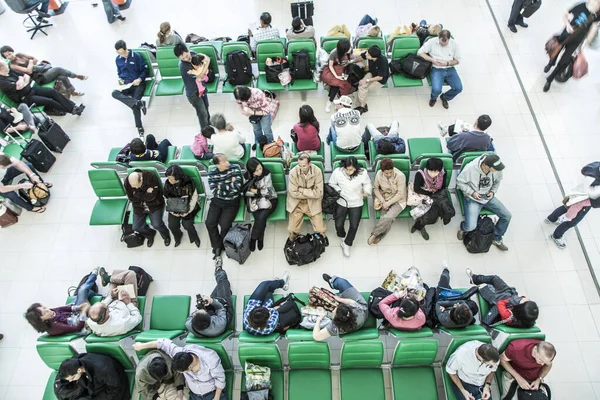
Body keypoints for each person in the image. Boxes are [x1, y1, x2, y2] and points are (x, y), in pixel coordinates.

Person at [134, 339, 228, 400]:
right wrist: (141, 346)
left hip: (212, 392)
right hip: (195, 395)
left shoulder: (210, 358)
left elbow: (220, 379)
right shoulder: (180, 352)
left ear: (190, 367)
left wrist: (216, 397)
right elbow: (163, 343)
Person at [456, 154, 511, 251]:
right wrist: (472, 193)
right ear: (485, 165)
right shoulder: (470, 168)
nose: (497, 170)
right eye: (495, 168)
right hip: (472, 198)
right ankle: (463, 228)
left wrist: (493, 191)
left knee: (507, 216)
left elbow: (497, 181)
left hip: (488, 197)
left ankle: (496, 238)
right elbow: (459, 182)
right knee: (470, 226)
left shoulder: (497, 170)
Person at [543, 0, 600, 92]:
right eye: (596, 2)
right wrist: (567, 25)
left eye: (599, 3)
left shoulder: (597, 14)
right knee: (556, 50)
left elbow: (593, 29)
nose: (597, 4)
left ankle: (549, 79)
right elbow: (565, 13)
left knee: (564, 61)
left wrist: (586, 43)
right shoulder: (581, 5)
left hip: (577, 40)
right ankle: (550, 63)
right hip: (566, 35)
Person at [25, 269, 97, 336]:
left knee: (83, 293)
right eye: (44, 313)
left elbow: (62, 308)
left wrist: (77, 307)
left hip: (74, 313)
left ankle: (93, 290)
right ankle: (94, 274)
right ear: (41, 320)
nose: (47, 310)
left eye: (44, 308)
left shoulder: (49, 313)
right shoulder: (55, 327)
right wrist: (83, 312)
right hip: (79, 320)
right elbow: (77, 328)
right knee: (82, 290)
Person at [546, 162, 600, 249]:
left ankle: (551, 219)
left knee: (565, 207)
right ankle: (556, 236)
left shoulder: (595, 167)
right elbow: (594, 197)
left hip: (576, 194)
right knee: (572, 221)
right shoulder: (597, 187)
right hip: (583, 202)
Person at [0, 61, 84, 116]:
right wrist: (22, 81)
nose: (8, 66)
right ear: (1, 69)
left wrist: (22, 81)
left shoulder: (10, 71)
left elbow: (26, 76)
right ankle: (72, 111)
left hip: (30, 90)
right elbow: (18, 86)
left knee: (52, 92)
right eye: (5, 66)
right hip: (25, 99)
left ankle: (73, 107)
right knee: (49, 101)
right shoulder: (2, 82)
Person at [328, 156, 372, 257]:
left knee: (354, 226)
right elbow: (332, 184)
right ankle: (342, 236)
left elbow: (367, 183)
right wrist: (340, 191)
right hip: (342, 200)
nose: (348, 171)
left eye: (351, 169)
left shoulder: (363, 172)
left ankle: (347, 243)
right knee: (338, 224)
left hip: (356, 201)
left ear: (355, 168)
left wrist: (366, 192)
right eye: (346, 169)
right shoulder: (337, 172)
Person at [1, 45, 87, 96]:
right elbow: (29, 71)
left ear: (12, 51)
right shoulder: (13, 65)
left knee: (62, 76)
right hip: (39, 77)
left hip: (42, 70)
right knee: (58, 69)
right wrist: (31, 62)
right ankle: (77, 76)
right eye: (7, 56)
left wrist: (31, 63)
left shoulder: (19, 54)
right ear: (6, 58)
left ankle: (72, 92)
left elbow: (35, 59)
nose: (10, 56)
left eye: (10, 53)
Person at [466, 269, 539, 328]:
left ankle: (481, 285)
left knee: (486, 289)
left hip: (500, 305)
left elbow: (500, 303)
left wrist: (515, 300)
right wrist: (522, 300)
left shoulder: (509, 316)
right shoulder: (528, 316)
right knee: (495, 278)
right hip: (509, 297)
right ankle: (474, 279)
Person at [206, 154, 243, 265]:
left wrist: (220, 186)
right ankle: (217, 246)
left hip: (232, 202)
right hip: (217, 201)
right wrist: (229, 184)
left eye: (226, 160)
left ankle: (223, 243)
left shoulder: (235, 168)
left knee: (224, 225)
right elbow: (214, 191)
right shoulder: (212, 174)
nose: (227, 162)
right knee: (210, 223)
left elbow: (237, 188)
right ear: (217, 165)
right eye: (224, 161)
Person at [86, 268, 142, 337]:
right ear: (107, 313)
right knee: (130, 274)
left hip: (112, 301)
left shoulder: (91, 321)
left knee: (115, 280)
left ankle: (107, 279)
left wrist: (111, 297)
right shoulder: (122, 324)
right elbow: (138, 318)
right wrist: (128, 303)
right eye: (105, 306)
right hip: (127, 304)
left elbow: (104, 305)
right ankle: (107, 278)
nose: (104, 303)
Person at [410, 157, 455, 241]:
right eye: (431, 171)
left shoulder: (442, 172)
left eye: (436, 171)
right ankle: (419, 226)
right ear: (427, 168)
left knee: (448, 210)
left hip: (438, 193)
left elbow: (443, 186)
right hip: (425, 193)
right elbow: (417, 189)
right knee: (429, 217)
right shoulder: (420, 174)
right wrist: (430, 193)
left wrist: (436, 193)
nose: (434, 174)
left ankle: (442, 215)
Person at [124, 169, 171, 247]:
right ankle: (150, 234)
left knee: (157, 224)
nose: (135, 188)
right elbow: (131, 198)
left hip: (154, 204)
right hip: (139, 206)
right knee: (136, 227)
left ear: (141, 179)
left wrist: (138, 194)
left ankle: (165, 235)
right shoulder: (128, 182)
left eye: (137, 185)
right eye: (134, 187)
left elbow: (154, 195)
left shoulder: (150, 176)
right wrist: (146, 193)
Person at [313, 274, 369, 340]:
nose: (333, 311)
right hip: (363, 310)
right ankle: (332, 282)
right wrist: (340, 299)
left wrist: (319, 319)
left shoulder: (335, 327)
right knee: (341, 282)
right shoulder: (356, 310)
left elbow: (316, 336)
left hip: (356, 322)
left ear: (336, 320)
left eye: (334, 311)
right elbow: (351, 302)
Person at [418, 30, 463, 109]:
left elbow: (457, 60)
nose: (443, 45)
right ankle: (433, 98)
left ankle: (445, 97)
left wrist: (447, 63)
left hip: (449, 68)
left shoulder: (454, 44)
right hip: (436, 69)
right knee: (436, 90)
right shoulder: (432, 42)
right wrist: (432, 60)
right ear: (438, 38)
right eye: (441, 43)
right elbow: (420, 53)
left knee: (458, 88)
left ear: (449, 39)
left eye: (445, 44)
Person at [287, 152, 327, 240]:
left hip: (313, 203)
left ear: (309, 163)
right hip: (297, 202)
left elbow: (318, 193)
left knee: (320, 229)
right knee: (291, 229)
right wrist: (310, 193)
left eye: (304, 166)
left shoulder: (317, 171)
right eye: (299, 165)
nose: (301, 168)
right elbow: (293, 192)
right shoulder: (293, 172)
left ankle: (321, 240)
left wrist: (301, 190)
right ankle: (293, 241)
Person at [112, 40, 148, 136]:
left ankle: (139, 126)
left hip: (137, 84)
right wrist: (120, 80)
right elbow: (119, 72)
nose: (122, 55)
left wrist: (139, 79)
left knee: (134, 106)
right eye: (119, 53)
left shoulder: (136, 56)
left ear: (126, 48)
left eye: (123, 53)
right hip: (126, 85)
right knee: (114, 93)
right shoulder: (118, 59)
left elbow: (145, 69)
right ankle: (138, 103)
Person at [55, 353, 130, 400]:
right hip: (101, 379)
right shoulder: (76, 360)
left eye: (72, 378)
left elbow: (115, 388)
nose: (70, 381)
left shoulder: (103, 371)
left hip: (117, 383)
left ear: (78, 370)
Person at [186, 265, 233, 338]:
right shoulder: (220, 324)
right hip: (223, 312)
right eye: (203, 311)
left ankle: (227, 290)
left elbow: (193, 316)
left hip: (209, 319)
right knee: (223, 280)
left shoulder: (189, 324)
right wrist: (212, 301)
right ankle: (219, 270)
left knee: (222, 286)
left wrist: (200, 307)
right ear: (210, 317)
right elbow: (220, 308)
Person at [368, 157, 407, 245]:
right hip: (385, 198)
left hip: (399, 200)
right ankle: (380, 236)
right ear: (382, 171)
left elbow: (400, 194)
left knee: (388, 217)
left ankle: (374, 234)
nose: (389, 174)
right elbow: (375, 189)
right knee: (385, 218)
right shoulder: (379, 174)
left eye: (390, 172)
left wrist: (388, 203)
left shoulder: (400, 176)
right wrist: (383, 201)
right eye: (386, 173)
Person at [244, 158, 278, 251]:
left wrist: (255, 190)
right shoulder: (247, 176)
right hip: (255, 201)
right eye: (257, 170)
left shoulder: (266, 173)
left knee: (261, 217)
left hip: (270, 199)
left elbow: (268, 191)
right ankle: (260, 237)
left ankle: (253, 238)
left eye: (260, 168)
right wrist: (255, 191)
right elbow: (246, 191)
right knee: (260, 218)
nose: (260, 171)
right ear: (252, 171)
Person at [174, 43, 211, 130]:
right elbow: (200, 76)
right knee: (202, 113)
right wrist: (208, 62)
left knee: (206, 107)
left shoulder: (193, 54)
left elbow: (202, 61)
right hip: (193, 93)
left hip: (202, 88)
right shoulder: (182, 66)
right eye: (183, 58)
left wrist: (205, 63)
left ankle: (209, 125)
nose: (187, 59)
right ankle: (205, 131)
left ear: (188, 50)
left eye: (186, 55)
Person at [164, 164, 201, 248]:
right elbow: (166, 198)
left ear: (177, 176)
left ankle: (194, 238)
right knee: (172, 225)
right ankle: (178, 237)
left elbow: (194, 198)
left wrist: (188, 210)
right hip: (174, 207)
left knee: (187, 225)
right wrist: (172, 211)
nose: (169, 180)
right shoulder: (167, 183)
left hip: (188, 206)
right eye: (168, 178)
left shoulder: (188, 182)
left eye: (171, 178)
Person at [352, 45, 389, 114]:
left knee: (365, 89)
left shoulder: (382, 61)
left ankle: (362, 106)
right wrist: (352, 62)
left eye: (368, 54)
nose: (366, 54)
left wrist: (367, 80)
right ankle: (362, 105)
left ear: (373, 57)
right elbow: (361, 58)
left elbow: (380, 77)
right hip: (372, 73)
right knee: (361, 86)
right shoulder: (370, 53)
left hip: (380, 80)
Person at [321, 38, 355, 113]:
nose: (349, 49)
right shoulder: (334, 53)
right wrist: (336, 75)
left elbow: (352, 57)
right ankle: (333, 101)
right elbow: (330, 66)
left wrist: (350, 62)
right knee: (338, 83)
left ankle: (330, 101)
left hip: (343, 69)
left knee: (338, 83)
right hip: (333, 70)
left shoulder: (350, 50)